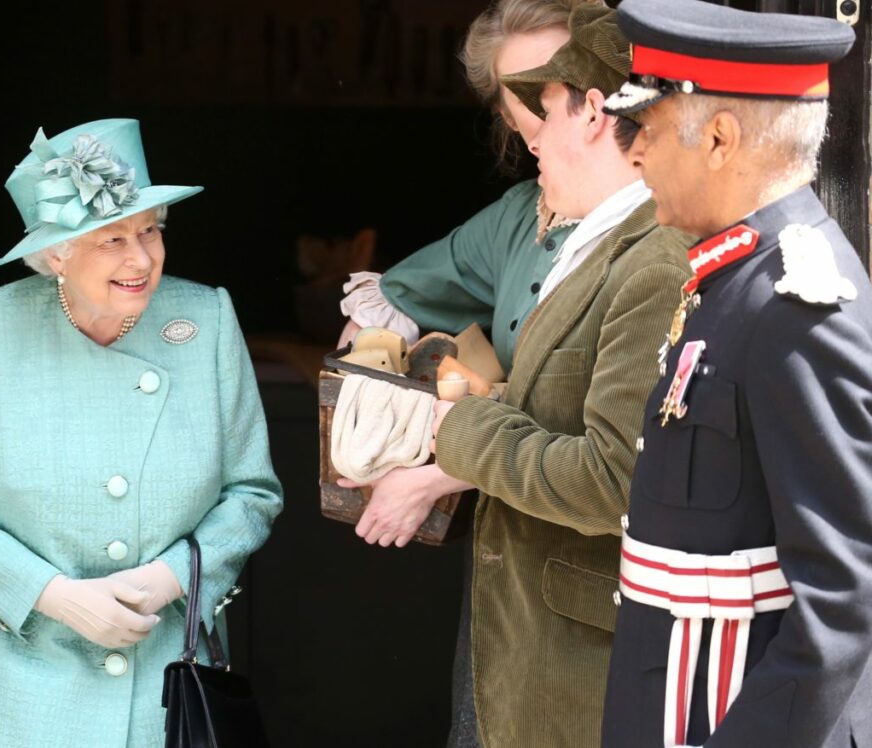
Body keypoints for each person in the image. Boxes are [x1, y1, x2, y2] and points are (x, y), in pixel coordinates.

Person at [0, 119, 283, 747]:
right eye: (111, 239)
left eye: (150, 230)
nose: (141, 258)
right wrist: (59, 598)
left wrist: (169, 579)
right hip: (34, 676)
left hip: (170, 669)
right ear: (57, 253)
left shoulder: (208, 317)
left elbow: (252, 494)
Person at [417, 5, 694, 745]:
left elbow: (616, 480)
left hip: (580, 668)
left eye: (540, 117)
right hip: (522, 641)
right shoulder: (591, 238)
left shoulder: (656, 256)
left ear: (593, 110)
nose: (528, 142)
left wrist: (465, 429)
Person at [598, 2, 871, 747]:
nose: (634, 155)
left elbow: (846, 597)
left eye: (646, 130)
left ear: (719, 138)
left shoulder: (797, 304)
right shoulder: (736, 280)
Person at [339, 2, 592, 744]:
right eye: (526, 88)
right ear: (504, 109)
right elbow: (391, 306)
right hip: (510, 558)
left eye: (565, 76)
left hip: (599, 565)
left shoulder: (656, 224)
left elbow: (611, 437)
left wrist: (436, 475)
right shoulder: (523, 215)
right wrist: (378, 414)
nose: (549, 100)